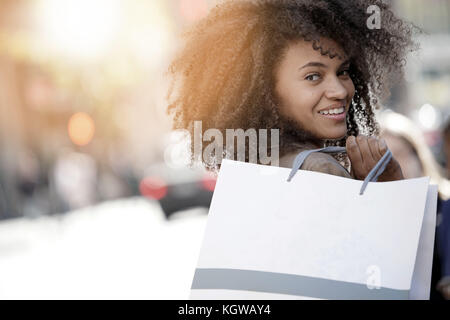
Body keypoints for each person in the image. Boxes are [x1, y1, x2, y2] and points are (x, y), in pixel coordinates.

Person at [166, 0, 417, 180]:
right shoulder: (320, 170)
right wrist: (390, 184)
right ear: (267, 94)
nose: (339, 91)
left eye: (343, 71)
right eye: (313, 76)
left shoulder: (253, 167)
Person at [378, 109, 450, 300]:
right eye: (381, 159)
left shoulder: (444, 208)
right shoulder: (373, 221)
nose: (391, 166)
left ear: (418, 156)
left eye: (398, 154)